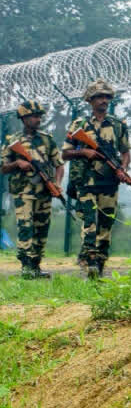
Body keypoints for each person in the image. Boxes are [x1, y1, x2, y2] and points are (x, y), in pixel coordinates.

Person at [62, 80, 130, 279]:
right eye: (99, 97)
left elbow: (125, 152)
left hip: (109, 183)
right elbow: (65, 154)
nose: (104, 100)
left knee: (106, 226)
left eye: (107, 97)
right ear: (90, 101)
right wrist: (85, 152)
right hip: (86, 183)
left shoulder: (118, 125)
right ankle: (88, 263)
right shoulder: (79, 125)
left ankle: (99, 265)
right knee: (90, 225)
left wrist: (122, 169)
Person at [1, 101, 63, 279]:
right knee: (26, 228)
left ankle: (36, 266)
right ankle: (26, 267)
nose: (38, 119)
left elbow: (59, 165)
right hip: (24, 192)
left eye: (40, 116)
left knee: (42, 229)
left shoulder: (47, 139)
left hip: (44, 191)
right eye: (34, 116)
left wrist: (57, 184)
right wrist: (17, 163)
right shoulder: (13, 141)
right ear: (24, 118)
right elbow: (3, 167)